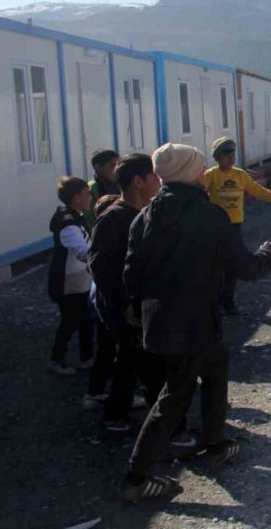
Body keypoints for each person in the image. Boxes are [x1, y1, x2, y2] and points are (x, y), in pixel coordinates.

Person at [121, 143, 271, 503]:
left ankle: (215, 443)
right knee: (174, 396)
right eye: (198, 167)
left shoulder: (143, 218)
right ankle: (135, 478)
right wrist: (268, 253)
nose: (203, 172)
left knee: (215, 368)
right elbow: (246, 268)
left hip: (162, 321)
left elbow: (131, 279)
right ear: (190, 173)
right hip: (194, 323)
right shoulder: (209, 216)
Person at [88, 155, 168, 433]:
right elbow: (99, 268)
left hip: (139, 305)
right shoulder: (113, 219)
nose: (159, 182)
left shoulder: (144, 213)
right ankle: (167, 427)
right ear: (138, 181)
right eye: (155, 177)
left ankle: (116, 413)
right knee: (147, 364)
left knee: (128, 358)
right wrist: (124, 307)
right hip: (125, 309)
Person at [204, 137, 271, 315]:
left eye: (233, 154)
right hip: (216, 228)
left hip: (235, 227)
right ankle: (215, 302)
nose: (231, 158)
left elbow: (258, 191)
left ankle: (228, 301)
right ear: (217, 157)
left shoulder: (240, 175)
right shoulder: (211, 175)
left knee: (233, 266)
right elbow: (198, 193)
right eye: (226, 155)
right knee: (215, 266)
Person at [47, 177, 94, 376]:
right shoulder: (68, 223)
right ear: (77, 198)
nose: (90, 197)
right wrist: (102, 258)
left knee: (85, 319)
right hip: (69, 281)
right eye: (87, 194)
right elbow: (81, 251)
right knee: (70, 321)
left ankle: (87, 358)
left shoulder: (75, 216)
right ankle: (56, 360)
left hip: (79, 279)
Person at [83, 194, 123, 411]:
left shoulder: (101, 242)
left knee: (107, 351)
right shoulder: (106, 243)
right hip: (108, 307)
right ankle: (106, 397)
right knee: (111, 351)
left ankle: (97, 392)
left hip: (103, 306)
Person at [87, 149, 121, 221]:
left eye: (118, 165)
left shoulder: (120, 184)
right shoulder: (92, 188)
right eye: (112, 165)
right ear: (98, 168)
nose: (117, 169)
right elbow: (90, 219)